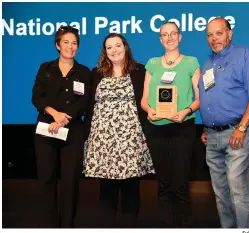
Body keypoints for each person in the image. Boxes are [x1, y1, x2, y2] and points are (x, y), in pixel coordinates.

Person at [199, 17, 249, 228]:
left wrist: (242, 127)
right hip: (213, 137)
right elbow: (212, 98)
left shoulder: (245, 55)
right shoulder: (208, 63)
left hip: (239, 133)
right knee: (221, 193)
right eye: (209, 35)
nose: (213, 38)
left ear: (230, 34)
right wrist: (206, 126)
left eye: (218, 33)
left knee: (238, 190)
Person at [83, 33, 155, 227]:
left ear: (125, 47)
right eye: (109, 47)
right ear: (105, 51)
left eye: (118, 46)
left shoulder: (139, 70)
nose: (114, 50)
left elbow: (148, 100)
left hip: (130, 139)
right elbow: (89, 105)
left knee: (131, 188)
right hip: (103, 139)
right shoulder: (96, 73)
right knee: (106, 189)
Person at [141, 22, 201, 227]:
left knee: (180, 184)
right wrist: (150, 111)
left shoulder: (191, 62)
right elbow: (144, 100)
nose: (169, 38)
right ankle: (166, 226)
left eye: (173, 33)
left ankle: (183, 227)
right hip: (156, 128)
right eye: (164, 34)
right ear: (160, 39)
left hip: (182, 128)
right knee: (164, 184)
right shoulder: (152, 63)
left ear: (180, 36)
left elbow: (200, 99)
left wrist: (186, 111)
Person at [31, 25, 91, 228]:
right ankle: (51, 225)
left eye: (74, 43)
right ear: (58, 45)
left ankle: (67, 226)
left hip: (72, 131)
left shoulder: (83, 72)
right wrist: (54, 114)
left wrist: (66, 117)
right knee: (47, 179)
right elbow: (36, 97)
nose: (70, 46)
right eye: (66, 42)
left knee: (70, 182)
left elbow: (84, 102)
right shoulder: (45, 68)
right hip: (46, 129)